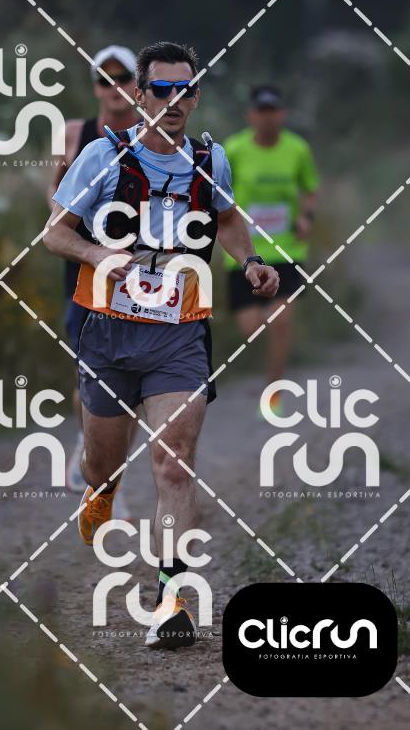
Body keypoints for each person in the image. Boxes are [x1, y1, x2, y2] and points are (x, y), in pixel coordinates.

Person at [43, 41, 279, 649]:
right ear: (140, 95)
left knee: (174, 461)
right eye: (162, 89)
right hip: (107, 333)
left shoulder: (209, 159)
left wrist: (250, 261)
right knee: (103, 465)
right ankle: (101, 490)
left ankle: (172, 601)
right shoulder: (103, 155)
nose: (175, 101)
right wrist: (97, 253)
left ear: (196, 97)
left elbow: (226, 218)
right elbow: (55, 234)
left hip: (180, 334)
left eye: (186, 90)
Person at [47, 45, 139, 507]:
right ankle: (92, 451)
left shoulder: (154, 134)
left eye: (124, 78)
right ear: (95, 87)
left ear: (138, 84)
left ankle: (110, 479)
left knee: (135, 380)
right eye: (106, 79)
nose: (115, 87)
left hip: (141, 270)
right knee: (89, 371)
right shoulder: (73, 133)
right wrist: (76, 232)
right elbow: (54, 194)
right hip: (84, 267)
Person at [224, 85, 320, 416]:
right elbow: (218, 193)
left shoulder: (297, 149)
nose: (267, 118)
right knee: (250, 328)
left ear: (283, 114)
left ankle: (274, 393)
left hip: (287, 249)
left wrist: (306, 217)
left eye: (273, 111)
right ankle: (258, 375)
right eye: (261, 111)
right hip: (245, 253)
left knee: (281, 320)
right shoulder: (234, 149)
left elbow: (310, 189)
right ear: (251, 115)